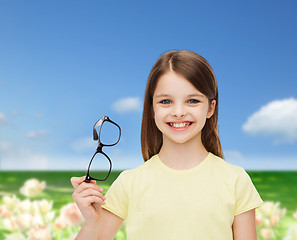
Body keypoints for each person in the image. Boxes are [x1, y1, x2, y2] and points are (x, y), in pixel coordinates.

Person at [71, 50, 263, 240]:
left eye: (192, 101)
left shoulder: (236, 180)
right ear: (152, 108)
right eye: (166, 101)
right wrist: (91, 223)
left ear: (210, 108)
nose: (178, 112)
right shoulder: (129, 183)